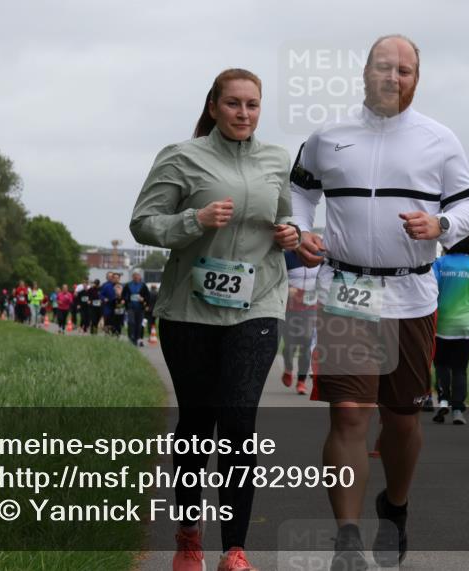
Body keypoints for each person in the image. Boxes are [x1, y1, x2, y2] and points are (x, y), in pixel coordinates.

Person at [291, 35, 469, 570]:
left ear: (416, 78)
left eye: (404, 70)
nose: (392, 77)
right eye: (383, 67)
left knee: (401, 420)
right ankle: (347, 538)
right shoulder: (328, 136)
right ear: (364, 72)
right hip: (347, 290)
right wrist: (300, 228)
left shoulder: (439, 140)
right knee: (349, 414)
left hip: (411, 292)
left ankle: (394, 507)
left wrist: (441, 224)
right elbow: (300, 190)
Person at [130, 67, 298, 571]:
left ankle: (235, 549)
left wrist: (290, 235)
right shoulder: (181, 157)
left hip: (258, 302)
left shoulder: (275, 160)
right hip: (191, 309)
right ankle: (188, 539)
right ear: (213, 106)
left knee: (240, 422)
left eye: (252, 105)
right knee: (199, 424)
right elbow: (142, 223)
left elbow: (284, 218)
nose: (243, 114)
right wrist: (192, 221)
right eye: (233, 104)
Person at [431, 232, 469, 425]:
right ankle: (458, 410)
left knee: (441, 365)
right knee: (460, 368)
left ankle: (443, 401)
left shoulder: (439, 264)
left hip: (442, 325)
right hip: (468, 326)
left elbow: (432, 291)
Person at [282, 250, 319, 395]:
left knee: (306, 342)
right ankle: (288, 368)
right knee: (290, 345)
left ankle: (301, 381)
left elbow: (326, 276)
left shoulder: (318, 257)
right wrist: (286, 289)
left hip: (310, 307)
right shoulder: (287, 256)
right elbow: (276, 277)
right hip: (289, 307)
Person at [124, 270, 152, 346]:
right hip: (131, 307)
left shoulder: (143, 286)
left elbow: (148, 297)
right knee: (131, 322)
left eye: (137, 276)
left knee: (139, 324)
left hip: (140, 308)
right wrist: (127, 301)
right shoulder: (128, 285)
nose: (136, 277)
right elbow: (124, 295)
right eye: (135, 276)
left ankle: (136, 338)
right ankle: (131, 337)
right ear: (132, 277)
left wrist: (144, 300)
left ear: (140, 277)